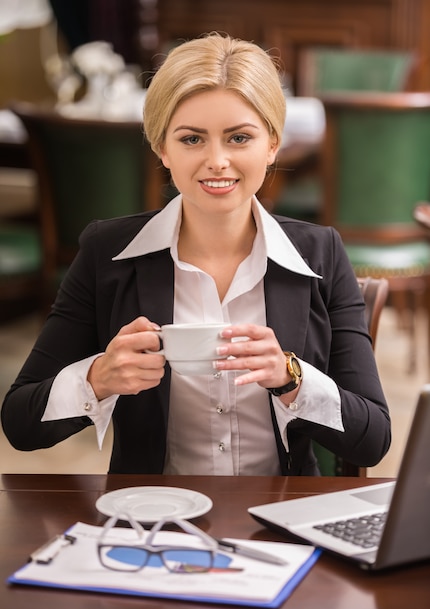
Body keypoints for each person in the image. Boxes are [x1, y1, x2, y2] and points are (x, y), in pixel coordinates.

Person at [1, 33, 390, 475]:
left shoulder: (321, 255)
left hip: (279, 519)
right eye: (191, 139)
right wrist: (97, 379)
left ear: (273, 145)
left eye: (239, 137)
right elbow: (20, 424)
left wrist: (290, 376)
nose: (217, 160)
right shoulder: (105, 254)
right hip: (148, 520)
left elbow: (373, 440)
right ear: (162, 148)